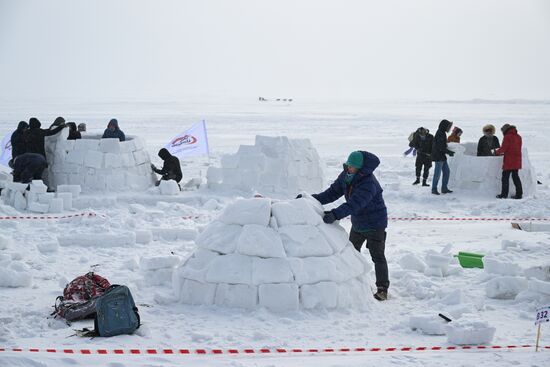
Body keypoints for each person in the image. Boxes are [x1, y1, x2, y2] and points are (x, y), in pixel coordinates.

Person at [307, 151, 389, 301]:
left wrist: (335, 214)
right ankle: (356, 284)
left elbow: (354, 204)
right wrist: (311, 200)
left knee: (377, 256)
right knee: (351, 252)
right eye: (348, 165)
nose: (348, 168)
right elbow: (332, 193)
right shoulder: (346, 176)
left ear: (361, 168)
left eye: (352, 167)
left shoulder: (368, 183)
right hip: (358, 223)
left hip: (375, 224)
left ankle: (382, 289)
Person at [495, 124, 522, 199]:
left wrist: (496, 152)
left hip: (509, 160)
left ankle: (504, 195)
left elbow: (503, 148)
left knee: (505, 178)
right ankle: (519, 194)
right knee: (516, 177)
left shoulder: (507, 137)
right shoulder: (518, 136)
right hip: (517, 160)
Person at [431, 119, 455, 195]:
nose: (449, 128)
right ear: (444, 126)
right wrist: (449, 152)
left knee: (447, 172)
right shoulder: (440, 133)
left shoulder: (442, 133)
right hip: (438, 157)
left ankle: (444, 188)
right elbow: (440, 147)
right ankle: (434, 189)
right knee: (437, 174)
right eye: (448, 127)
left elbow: (443, 145)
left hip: (442, 156)